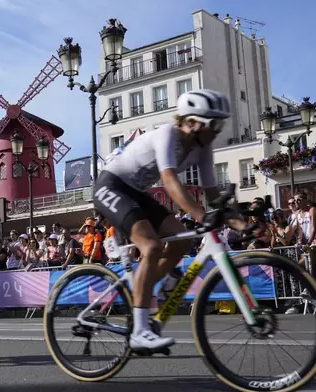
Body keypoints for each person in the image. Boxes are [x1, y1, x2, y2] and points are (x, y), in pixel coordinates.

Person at [93, 89, 235, 351]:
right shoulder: (168, 134)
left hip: (135, 193)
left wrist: (239, 221)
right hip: (111, 186)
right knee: (151, 246)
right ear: (192, 122)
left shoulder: (202, 147)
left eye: (220, 123)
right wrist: (202, 216)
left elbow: (212, 192)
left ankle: (143, 288)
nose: (218, 130)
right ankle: (140, 331)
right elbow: (169, 181)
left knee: (181, 239)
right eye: (214, 124)